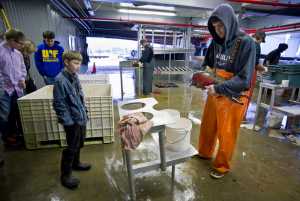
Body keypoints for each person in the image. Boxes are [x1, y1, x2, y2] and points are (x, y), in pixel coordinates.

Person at [196, 4, 256, 179]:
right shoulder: (215, 42)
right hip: (215, 90)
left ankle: (222, 166)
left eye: (221, 26)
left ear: (230, 22)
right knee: (208, 125)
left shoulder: (246, 43)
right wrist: (202, 76)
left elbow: (244, 80)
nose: (219, 31)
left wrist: (218, 87)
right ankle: (204, 152)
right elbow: (207, 63)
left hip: (233, 94)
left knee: (226, 132)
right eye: (214, 28)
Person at [53, 50, 91, 189]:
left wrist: (84, 113)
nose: (78, 66)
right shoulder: (60, 81)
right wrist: (68, 121)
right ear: (66, 62)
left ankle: (76, 163)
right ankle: (65, 175)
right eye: (75, 63)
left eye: (79, 63)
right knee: (71, 147)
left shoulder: (74, 77)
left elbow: (80, 97)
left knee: (80, 142)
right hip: (71, 121)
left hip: (79, 117)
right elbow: (59, 104)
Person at [0, 29, 26, 148]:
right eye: (20, 43)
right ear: (11, 40)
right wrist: (4, 85)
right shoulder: (1, 52)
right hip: (4, 89)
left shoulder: (17, 53)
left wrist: (22, 79)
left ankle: (14, 134)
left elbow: (22, 68)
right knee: (4, 114)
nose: (21, 45)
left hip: (17, 88)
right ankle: (6, 138)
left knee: (15, 113)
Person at [243, 30, 267, 121]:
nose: (261, 42)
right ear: (260, 38)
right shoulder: (256, 45)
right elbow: (255, 63)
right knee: (246, 95)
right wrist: (263, 69)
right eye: (262, 40)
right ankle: (242, 116)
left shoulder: (246, 42)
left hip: (240, 71)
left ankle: (235, 114)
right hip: (249, 72)